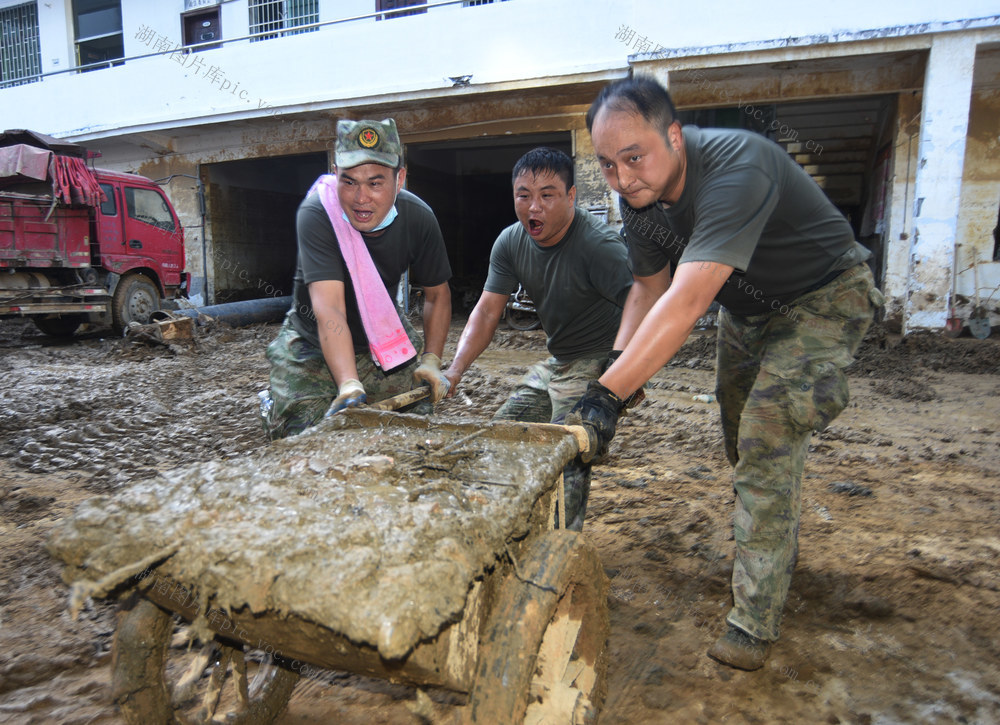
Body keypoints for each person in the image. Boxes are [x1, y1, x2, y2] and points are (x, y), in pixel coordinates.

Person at [571, 76, 884, 669]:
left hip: (825, 298)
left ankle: (755, 621)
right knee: (739, 437)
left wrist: (606, 398)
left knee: (767, 434)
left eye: (632, 158)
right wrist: (615, 371)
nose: (621, 178)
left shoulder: (741, 163)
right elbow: (649, 290)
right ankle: (771, 541)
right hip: (747, 314)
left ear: (674, 135)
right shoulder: (640, 199)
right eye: (607, 165)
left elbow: (687, 303)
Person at [443, 147, 633, 530]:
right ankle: (510, 527)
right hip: (557, 360)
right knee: (500, 436)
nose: (534, 207)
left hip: (599, 359)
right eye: (523, 195)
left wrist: (622, 376)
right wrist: (454, 371)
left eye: (547, 195)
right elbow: (486, 311)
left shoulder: (599, 246)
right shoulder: (510, 242)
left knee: (567, 452)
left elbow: (644, 305)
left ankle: (564, 546)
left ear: (571, 196)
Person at [260, 118, 452, 440]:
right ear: (335, 175)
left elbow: (437, 295)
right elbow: (330, 311)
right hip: (313, 342)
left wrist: (432, 359)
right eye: (349, 182)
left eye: (375, 183)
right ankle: (275, 405)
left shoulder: (418, 218)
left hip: (382, 333)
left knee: (417, 428)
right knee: (307, 438)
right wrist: (349, 384)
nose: (361, 198)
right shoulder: (317, 214)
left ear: (399, 178)